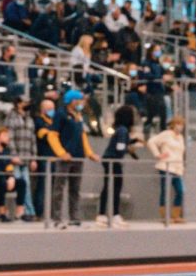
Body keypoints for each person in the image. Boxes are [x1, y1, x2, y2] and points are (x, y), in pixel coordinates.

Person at [49, 89, 99, 228]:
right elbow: (52, 135)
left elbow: (82, 136)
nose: (81, 103)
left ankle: (74, 216)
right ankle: (57, 217)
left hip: (78, 156)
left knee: (75, 189)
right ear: (72, 100)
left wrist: (89, 153)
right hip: (65, 157)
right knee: (59, 188)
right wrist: (61, 153)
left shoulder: (78, 115)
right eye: (78, 100)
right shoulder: (60, 114)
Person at [96, 104, 137, 228]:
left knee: (109, 186)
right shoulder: (123, 130)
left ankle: (103, 214)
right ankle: (114, 215)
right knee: (115, 187)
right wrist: (127, 149)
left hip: (109, 160)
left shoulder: (120, 129)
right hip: (113, 161)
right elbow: (120, 148)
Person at [147, 116, 186, 224]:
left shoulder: (181, 137)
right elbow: (151, 141)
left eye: (182, 124)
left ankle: (175, 215)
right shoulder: (166, 134)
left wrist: (182, 167)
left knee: (180, 191)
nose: (180, 126)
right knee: (165, 191)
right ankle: (164, 216)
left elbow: (181, 154)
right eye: (178, 123)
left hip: (177, 168)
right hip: (166, 167)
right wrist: (158, 155)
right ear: (173, 124)